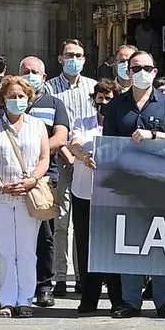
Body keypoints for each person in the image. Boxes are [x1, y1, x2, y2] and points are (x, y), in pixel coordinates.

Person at [104, 50, 165, 319]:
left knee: (162, 242)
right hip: (127, 184)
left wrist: (153, 135)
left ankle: (163, 300)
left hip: (162, 183)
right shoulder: (116, 105)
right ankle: (131, 300)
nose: (141, 72)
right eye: (135, 67)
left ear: (155, 71)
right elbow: (109, 146)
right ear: (127, 71)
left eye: (146, 67)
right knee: (131, 242)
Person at [0, 76, 50, 318]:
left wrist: (32, 180)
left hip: (27, 195)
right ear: (3, 99)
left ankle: (25, 299)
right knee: (5, 249)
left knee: (27, 249)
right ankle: (7, 299)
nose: (17, 100)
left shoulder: (37, 126)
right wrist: (0, 186)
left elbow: (44, 159)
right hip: (0, 197)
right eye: (12, 96)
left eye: (21, 96)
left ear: (28, 99)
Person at [45, 39, 97, 299]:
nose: (73, 59)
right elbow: (51, 128)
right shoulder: (49, 89)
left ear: (85, 59)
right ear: (60, 58)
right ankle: (60, 276)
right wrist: (68, 156)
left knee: (84, 223)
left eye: (78, 55)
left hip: (87, 162)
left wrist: (82, 157)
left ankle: (82, 276)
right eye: (69, 55)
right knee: (61, 221)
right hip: (61, 160)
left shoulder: (92, 87)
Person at [18, 57, 70, 308]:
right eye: (25, 72)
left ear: (44, 77)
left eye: (34, 72)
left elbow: (60, 137)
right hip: (12, 178)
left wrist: (36, 154)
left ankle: (44, 286)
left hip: (44, 178)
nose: (30, 76)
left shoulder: (54, 104)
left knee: (45, 234)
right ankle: (13, 286)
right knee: (14, 236)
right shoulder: (9, 103)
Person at [69, 79, 124, 314]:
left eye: (108, 98)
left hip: (112, 194)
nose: (103, 102)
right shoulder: (84, 123)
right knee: (85, 244)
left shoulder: (120, 126)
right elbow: (74, 143)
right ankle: (89, 297)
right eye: (99, 98)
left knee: (111, 244)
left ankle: (117, 297)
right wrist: (83, 156)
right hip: (84, 191)